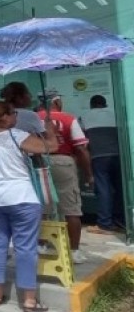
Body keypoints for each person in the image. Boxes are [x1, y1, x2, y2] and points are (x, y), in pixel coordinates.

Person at [0, 100, 58, 312]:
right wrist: (50, 131)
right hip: (21, 198)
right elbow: (52, 147)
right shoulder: (17, 135)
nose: (16, 116)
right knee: (25, 248)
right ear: (4, 117)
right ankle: (29, 300)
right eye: (13, 113)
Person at [36, 93, 92, 264]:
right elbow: (81, 148)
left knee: (43, 207)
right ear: (57, 101)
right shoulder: (69, 119)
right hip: (63, 161)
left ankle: (42, 244)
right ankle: (74, 251)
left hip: (40, 161)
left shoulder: (35, 118)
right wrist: (89, 173)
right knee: (71, 208)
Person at [82, 94, 125, 234]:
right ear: (105, 104)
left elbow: (82, 141)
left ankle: (105, 223)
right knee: (120, 189)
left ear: (91, 105)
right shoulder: (116, 114)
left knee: (104, 190)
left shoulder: (85, 117)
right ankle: (121, 220)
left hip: (99, 157)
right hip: (119, 156)